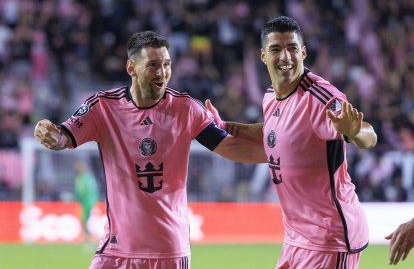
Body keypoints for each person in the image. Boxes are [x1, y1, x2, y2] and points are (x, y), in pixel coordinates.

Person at [34, 31, 266, 269]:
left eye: (167, 64)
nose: (162, 72)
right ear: (131, 68)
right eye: (153, 65)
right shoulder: (103, 107)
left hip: (169, 251)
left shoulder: (186, 109)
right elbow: (64, 138)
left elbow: (232, 147)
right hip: (115, 250)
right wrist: (51, 135)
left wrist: (282, 155)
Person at [206, 15, 377, 268]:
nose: (285, 57)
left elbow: (369, 135)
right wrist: (228, 127)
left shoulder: (321, 97)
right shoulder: (270, 98)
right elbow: (276, 134)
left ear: (303, 52)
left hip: (330, 239)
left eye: (292, 48)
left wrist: (354, 132)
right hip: (296, 238)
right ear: (263, 55)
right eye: (276, 49)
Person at [74, 161, 99, 244]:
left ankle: (88, 239)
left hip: (86, 203)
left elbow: (81, 191)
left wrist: (78, 199)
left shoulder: (81, 178)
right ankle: (88, 239)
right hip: (92, 202)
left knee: (85, 220)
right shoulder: (90, 177)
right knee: (88, 220)